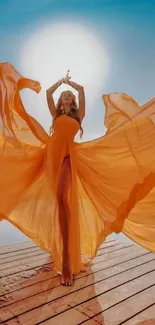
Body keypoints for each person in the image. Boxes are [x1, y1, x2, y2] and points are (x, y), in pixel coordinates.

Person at [0, 61, 155, 288]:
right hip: (49, 156)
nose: (67, 100)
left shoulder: (77, 117)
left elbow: (82, 92)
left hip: (67, 157)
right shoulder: (55, 115)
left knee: (64, 201)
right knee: (52, 199)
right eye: (65, 98)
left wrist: (71, 84)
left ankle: (66, 264)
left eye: (69, 98)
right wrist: (60, 84)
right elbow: (49, 93)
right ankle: (57, 248)